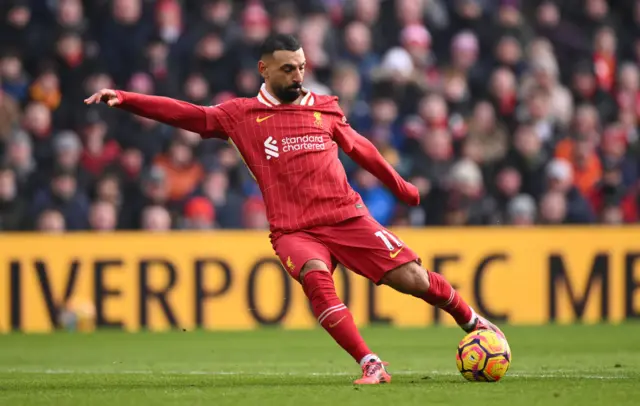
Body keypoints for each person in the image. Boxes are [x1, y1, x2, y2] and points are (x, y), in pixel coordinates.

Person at [85, 34, 504, 385]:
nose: (298, 75)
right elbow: (188, 114)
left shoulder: (324, 107)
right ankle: (370, 363)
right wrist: (125, 98)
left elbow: (361, 148)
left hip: (347, 216)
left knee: (412, 278)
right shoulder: (240, 115)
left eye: (302, 66)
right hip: (294, 229)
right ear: (264, 70)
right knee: (316, 280)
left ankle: (472, 322)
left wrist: (400, 186)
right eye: (288, 68)